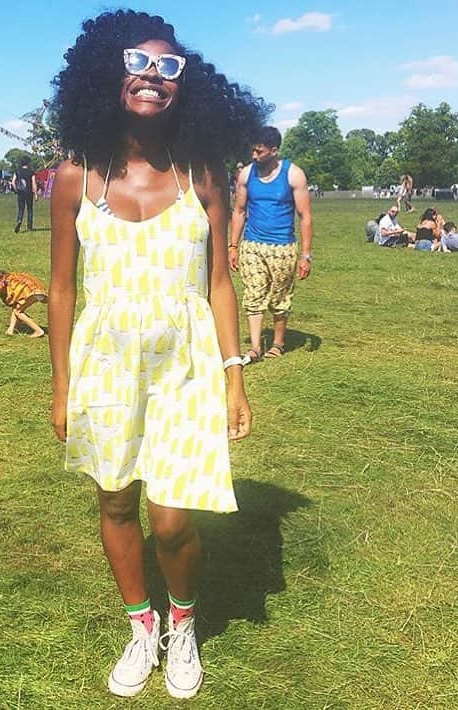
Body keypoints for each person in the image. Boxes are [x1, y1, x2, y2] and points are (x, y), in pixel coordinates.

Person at [48, 9, 264, 699]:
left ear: (185, 84)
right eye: (138, 64)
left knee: (171, 521)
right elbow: (58, 292)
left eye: (169, 67)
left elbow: (221, 283)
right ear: (106, 76)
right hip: (106, 365)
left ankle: (183, 626)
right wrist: (60, 388)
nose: (152, 78)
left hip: (184, 368)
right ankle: (142, 627)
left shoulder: (203, 175)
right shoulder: (74, 178)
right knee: (116, 503)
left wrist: (235, 377)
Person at [229, 126, 313, 362]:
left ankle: (277, 343)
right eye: (253, 151)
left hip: (282, 247)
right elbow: (239, 210)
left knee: (279, 296)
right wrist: (233, 246)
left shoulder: (293, 174)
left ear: (274, 151)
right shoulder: (246, 174)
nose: (254, 156)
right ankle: (255, 347)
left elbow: (305, 216)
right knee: (253, 294)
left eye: (259, 151)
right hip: (252, 245)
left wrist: (306, 255)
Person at [0, 270, 48, 337]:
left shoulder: (4, 281)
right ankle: (10, 330)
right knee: (16, 308)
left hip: (31, 291)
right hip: (39, 291)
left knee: (18, 312)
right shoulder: (14, 278)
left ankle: (38, 331)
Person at [11, 157, 37, 232]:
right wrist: (35, 194)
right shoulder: (31, 172)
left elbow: (13, 182)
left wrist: (16, 190)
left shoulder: (18, 171)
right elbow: (34, 183)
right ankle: (29, 226)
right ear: (28, 163)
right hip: (29, 192)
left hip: (20, 192)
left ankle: (19, 220)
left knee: (21, 209)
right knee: (29, 209)